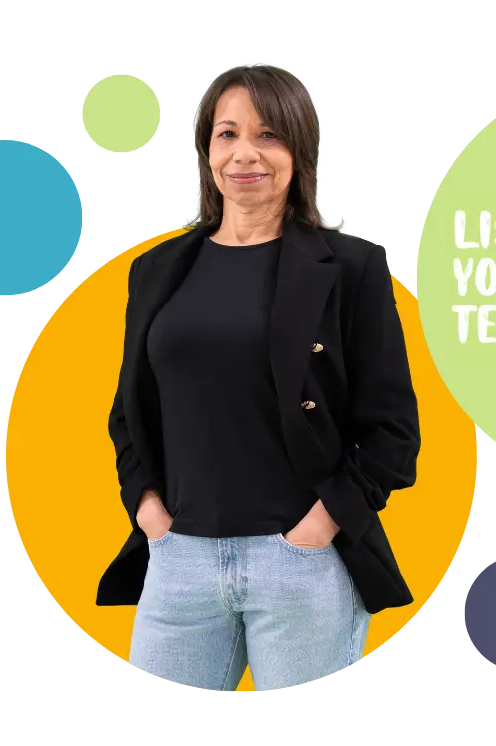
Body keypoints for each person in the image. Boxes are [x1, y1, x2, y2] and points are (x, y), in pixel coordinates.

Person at [95, 61, 421, 691]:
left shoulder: (352, 265)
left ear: (301, 151)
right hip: (178, 564)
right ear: (205, 150)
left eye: (269, 135)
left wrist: (317, 529)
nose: (246, 153)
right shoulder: (156, 270)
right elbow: (128, 413)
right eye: (228, 134)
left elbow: (393, 435)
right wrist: (148, 510)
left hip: (301, 565)